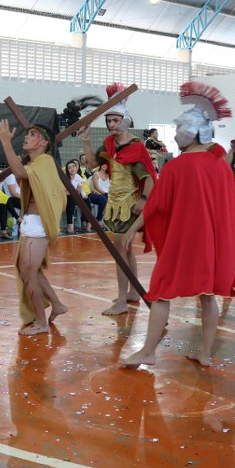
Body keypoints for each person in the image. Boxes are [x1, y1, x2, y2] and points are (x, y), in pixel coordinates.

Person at [120, 81, 235, 368]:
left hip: (184, 242)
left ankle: (148, 351)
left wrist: (131, 229)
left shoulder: (176, 166)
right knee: (207, 296)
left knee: (161, 292)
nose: (174, 135)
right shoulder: (221, 165)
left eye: (177, 129)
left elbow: (154, 206)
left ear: (192, 132)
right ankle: (205, 353)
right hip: (211, 245)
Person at [80, 82, 156, 315]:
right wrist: (86, 140)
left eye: (115, 120)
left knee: (120, 251)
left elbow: (149, 178)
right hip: (115, 204)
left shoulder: (137, 146)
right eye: (108, 120)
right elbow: (93, 164)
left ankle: (122, 301)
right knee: (126, 250)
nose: (111, 124)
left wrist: (143, 200)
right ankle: (132, 293)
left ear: (125, 120)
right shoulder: (110, 143)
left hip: (129, 206)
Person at [0, 121, 67, 336]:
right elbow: (24, 176)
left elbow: (20, 172)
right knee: (29, 270)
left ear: (44, 142)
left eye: (33, 134)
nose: (27, 137)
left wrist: (6, 143)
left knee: (28, 273)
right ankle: (57, 305)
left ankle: (41, 322)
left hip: (39, 224)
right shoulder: (37, 163)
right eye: (28, 134)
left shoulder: (45, 161)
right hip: (31, 221)